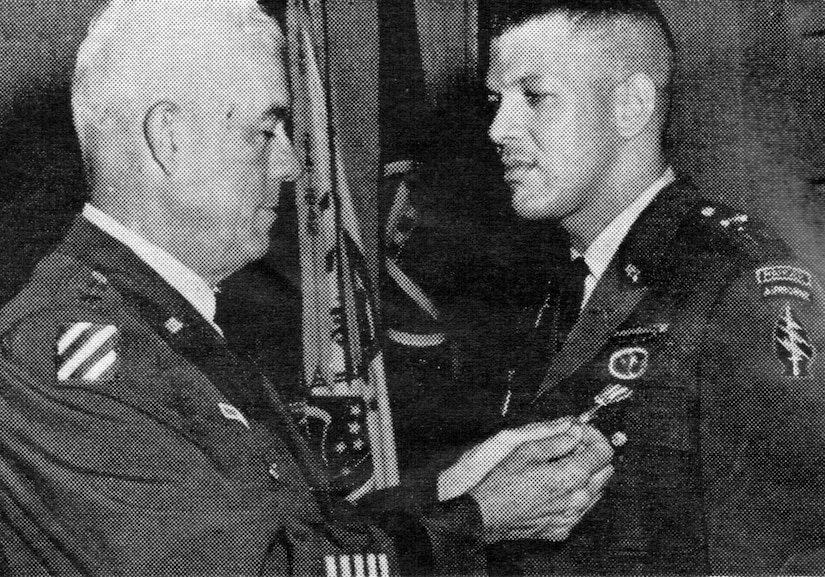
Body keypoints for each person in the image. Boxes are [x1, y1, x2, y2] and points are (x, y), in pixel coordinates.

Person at [0, 1, 615, 575]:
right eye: (265, 131)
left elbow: (291, 536)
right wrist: (479, 517)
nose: (292, 164)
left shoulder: (162, 320)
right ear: (169, 140)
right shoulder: (71, 364)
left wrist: (450, 487)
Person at [484, 0, 825, 574]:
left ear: (632, 108)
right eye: (496, 102)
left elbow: (791, 545)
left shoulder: (735, 283)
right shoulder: (550, 283)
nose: (497, 129)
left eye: (534, 98)